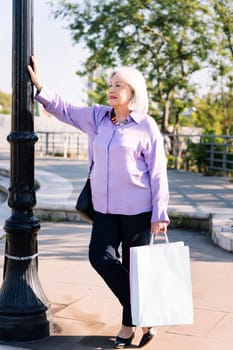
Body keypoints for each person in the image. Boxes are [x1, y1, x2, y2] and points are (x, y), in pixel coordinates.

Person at [28, 56, 169, 348]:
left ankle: (128, 324)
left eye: (119, 85)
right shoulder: (97, 117)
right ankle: (143, 313)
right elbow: (65, 110)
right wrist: (41, 88)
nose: (112, 89)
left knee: (135, 271)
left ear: (133, 92)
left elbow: (157, 172)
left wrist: (160, 213)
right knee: (100, 258)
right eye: (110, 84)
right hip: (103, 208)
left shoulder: (146, 126)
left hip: (138, 211)